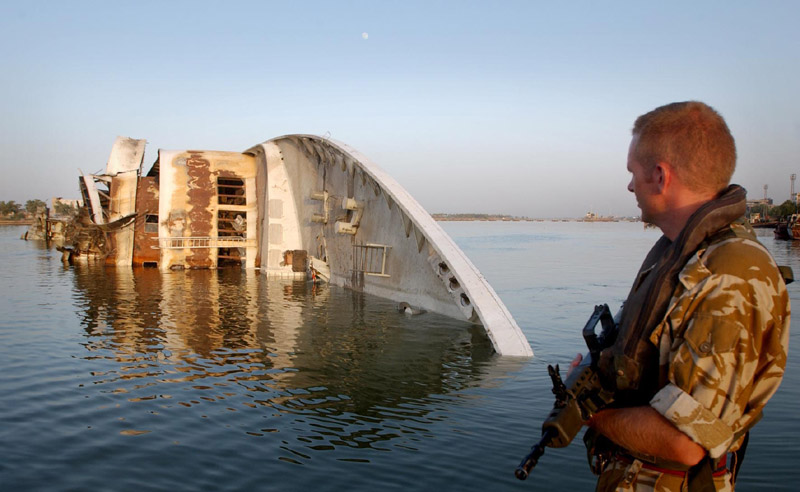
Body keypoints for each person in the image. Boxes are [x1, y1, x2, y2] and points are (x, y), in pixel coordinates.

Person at [581, 101, 791, 491]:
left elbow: (686, 440)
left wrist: (591, 415)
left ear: (660, 176)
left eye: (632, 173)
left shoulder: (729, 274)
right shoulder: (684, 254)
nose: (630, 186)